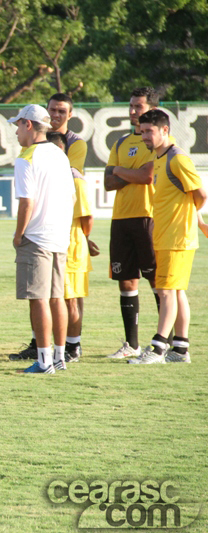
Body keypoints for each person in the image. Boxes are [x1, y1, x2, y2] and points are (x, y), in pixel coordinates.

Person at [129, 110, 206, 364]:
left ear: (165, 130)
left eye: (149, 131)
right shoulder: (159, 158)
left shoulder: (177, 159)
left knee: (165, 291)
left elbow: (199, 194)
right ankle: (180, 349)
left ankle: (158, 348)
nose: (145, 136)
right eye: (142, 131)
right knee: (176, 291)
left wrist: (195, 219)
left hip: (176, 238)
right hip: (166, 236)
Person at [103, 87, 171, 360]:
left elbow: (146, 177)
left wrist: (119, 171)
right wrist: (125, 173)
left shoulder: (158, 142)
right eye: (130, 106)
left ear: (152, 109)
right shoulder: (120, 143)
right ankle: (131, 344)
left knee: (157, 280)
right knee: (126, 281)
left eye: (138, 107)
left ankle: (164, 344)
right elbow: (108, 183)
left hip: (148, 217)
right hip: (120, 218)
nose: (132, 111)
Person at [10, 104, 74, 374]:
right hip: (59, 235)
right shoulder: (60, 155)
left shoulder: (27, 157)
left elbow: (27, 202)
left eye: (17, 125)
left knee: (38, 299)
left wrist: (18, 234)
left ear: (27, 124)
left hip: (36, 236)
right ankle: (59, 357)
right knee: (57, 298)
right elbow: (72, 197)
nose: (15, 131)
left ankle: (45, 360)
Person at [47, 131, 95, 363]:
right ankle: (58, 344)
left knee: (71, 299)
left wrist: (84, 239)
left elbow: (86, 218)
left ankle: (73, 346)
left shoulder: (74, 178)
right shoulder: (46, 176)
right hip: (51, 243)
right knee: (53, 298)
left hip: (72, 247)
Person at [47, 93, 87, 174]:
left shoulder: (77, 143)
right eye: (52, 110)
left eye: (61, 111)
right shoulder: (35, 137)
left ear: (69, 115)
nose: (56, 115)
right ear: (46, 110)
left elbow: (71, 174)